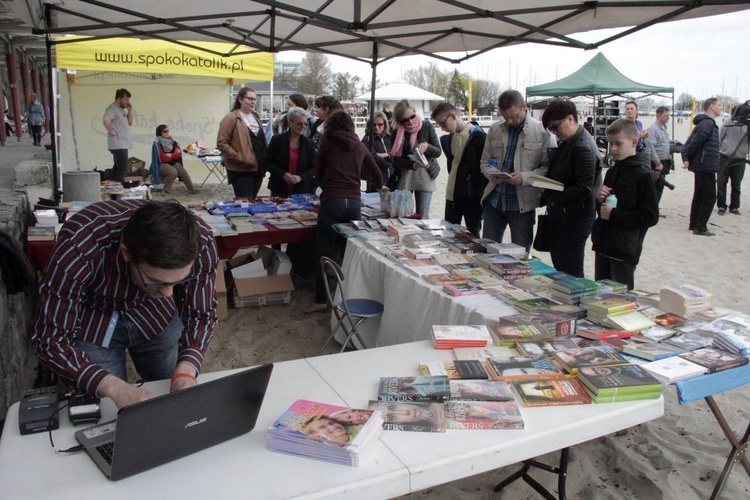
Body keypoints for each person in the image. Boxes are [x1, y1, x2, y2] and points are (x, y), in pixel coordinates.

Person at [31, 200, 219, 409]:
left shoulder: (199, 240)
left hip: (156, 315)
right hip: (95, 317)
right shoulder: (79, 244)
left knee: (176, 392)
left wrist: (186, 368)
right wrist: (113, 387)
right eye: (158, 282)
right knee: (108, 408)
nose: (168, 294)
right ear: (126, 252)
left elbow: (201, 316)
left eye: (178, 282)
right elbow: (51, 341)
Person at [305, 111, 384, 314]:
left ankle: (321, 300)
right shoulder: (360, 145)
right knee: (349, 252)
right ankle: (349, 295)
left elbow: (319, 174)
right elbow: (377, 174)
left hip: (332, 201)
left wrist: (328, 186)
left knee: (324, 251)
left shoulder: (327, 144)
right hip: (354, 203)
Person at [480, 90, 554, 253]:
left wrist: (524, 177)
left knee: (521, 255)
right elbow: (485, 161)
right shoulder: (495, 129)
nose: (510, 121)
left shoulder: (542, 132)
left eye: (514, 116)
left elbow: (548, 169)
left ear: (524, 107)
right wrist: (491, 173)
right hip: (494, 200)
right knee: (487, 251)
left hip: (522, 204)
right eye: (506, 117)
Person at [592, 119, 659, 290]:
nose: (613, 149)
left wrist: (614, 214)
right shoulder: (613, 171)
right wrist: (599, 201)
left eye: (618, 144)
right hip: (604, 245)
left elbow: (650, 216)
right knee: (600, 297)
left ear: (634, 142)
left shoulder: (643, 175)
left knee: (619, 300)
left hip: (624, 251)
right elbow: (602, 210)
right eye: (611, 144)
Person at [540, 99, 601, 277]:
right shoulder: (570, 142)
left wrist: (552, 195)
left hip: (576, 217)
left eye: (556, 127)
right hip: (564, 215)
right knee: (561, 268)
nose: (555, 133)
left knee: (571, 271)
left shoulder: (583, 147)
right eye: (551, 130)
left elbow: (584, 188)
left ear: (571, 119)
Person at [431, 102, 487, 237]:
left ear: (453, 116)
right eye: (439, 125)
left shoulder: (479, 137)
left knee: (472, 237)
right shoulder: (449, 139)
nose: (442, 128)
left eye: (443, 124)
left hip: (472, 196)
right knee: (449, 235)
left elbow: (483, 170)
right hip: (452, 194)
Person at [390, 99, 442, 218]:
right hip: (406, 177)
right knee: (404, 216)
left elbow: (438, 152)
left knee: (423, 216)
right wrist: (411, 165)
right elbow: (395, 161)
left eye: (412, 116)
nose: (410, 121)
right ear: (399, 120)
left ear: (415, 113)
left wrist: (427, 147)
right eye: (405, 120)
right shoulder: (396, 132)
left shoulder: (427, 126)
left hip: (426, 176)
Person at [217, 86, 268, 198]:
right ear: (240, 99)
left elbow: (260, 140)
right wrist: (238, 157)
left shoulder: (255, 116)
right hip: (241, 169)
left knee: (253, 200)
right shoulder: (231, 118)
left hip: (258, 167)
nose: (253, 101)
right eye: (249, 98)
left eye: (254, 99)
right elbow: (221, 142)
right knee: (244, 202)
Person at [682, 97, 722, 235]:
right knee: (710, 196)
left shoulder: (706, 123)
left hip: (703, 164)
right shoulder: (707, 123)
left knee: (699, 194)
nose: (720, 107)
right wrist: (686, 157)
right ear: (711, 106)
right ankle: (700, 226)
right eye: (719, 105)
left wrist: (687, 157)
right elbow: (694, 142)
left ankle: (694, 224)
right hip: (705, 165)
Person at [264, 107, 317, 197]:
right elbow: (267, 162)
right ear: (290, 123)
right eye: (299, 124)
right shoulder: (277, 140)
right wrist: (283, 174)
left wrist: (300, 177)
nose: (303, 127)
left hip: (302, 190)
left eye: (305, 124)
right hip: (279, 187)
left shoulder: (309, 144)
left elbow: (314, 167)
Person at [716, 104, 749, 216]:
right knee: (721, 183)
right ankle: (721, 206)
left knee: (736, 184)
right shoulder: (728, 122)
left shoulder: (747, 124)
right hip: (725, 156)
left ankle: (734, 207)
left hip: (740, 158)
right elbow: (719, 137)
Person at [150, 124, 198, 194]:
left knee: (182, 171)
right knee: (173, 172)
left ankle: (192, 189)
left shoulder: (173, 141)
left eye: (167, 131)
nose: (167, 133)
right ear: (160, 133)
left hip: (171, 162)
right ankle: (166, 190)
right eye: (164, 131)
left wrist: (170, 155)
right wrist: (173, 155)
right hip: (160, 164)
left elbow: (178, 155)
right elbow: (162, 158)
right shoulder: (157, 143)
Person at [102, 88, 133, 183]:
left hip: (123, 144)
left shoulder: (121, 110)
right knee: (122, 169)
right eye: (126, 99)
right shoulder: (112, 108)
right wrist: (111, 130)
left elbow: (130, 122)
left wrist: (130, 110)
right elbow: (106, 119)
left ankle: (112, 187)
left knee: (117, 168)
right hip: (118, 144)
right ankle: (119, 189)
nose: (127, 102)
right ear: (119, 98)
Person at [361, 111, 395, 192]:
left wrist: (387, 155)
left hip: (392, 181)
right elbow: (372, 158)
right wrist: (390, 163)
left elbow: (396, 154)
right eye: (374, 124)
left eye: (380, 124)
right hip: (375, 182)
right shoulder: (367, 139)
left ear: (385, 124)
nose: (376, 127)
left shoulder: (389, 137)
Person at [645, 106, 673, 203]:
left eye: (669, 115)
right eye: (666, 115)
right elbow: (649, 148)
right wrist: (657, 162)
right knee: (654, 190)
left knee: (659, 189)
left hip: (663, 163)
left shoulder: (664, 129)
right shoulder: (653, 129)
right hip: (655, 165)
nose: (668, 117)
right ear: (658, 115)